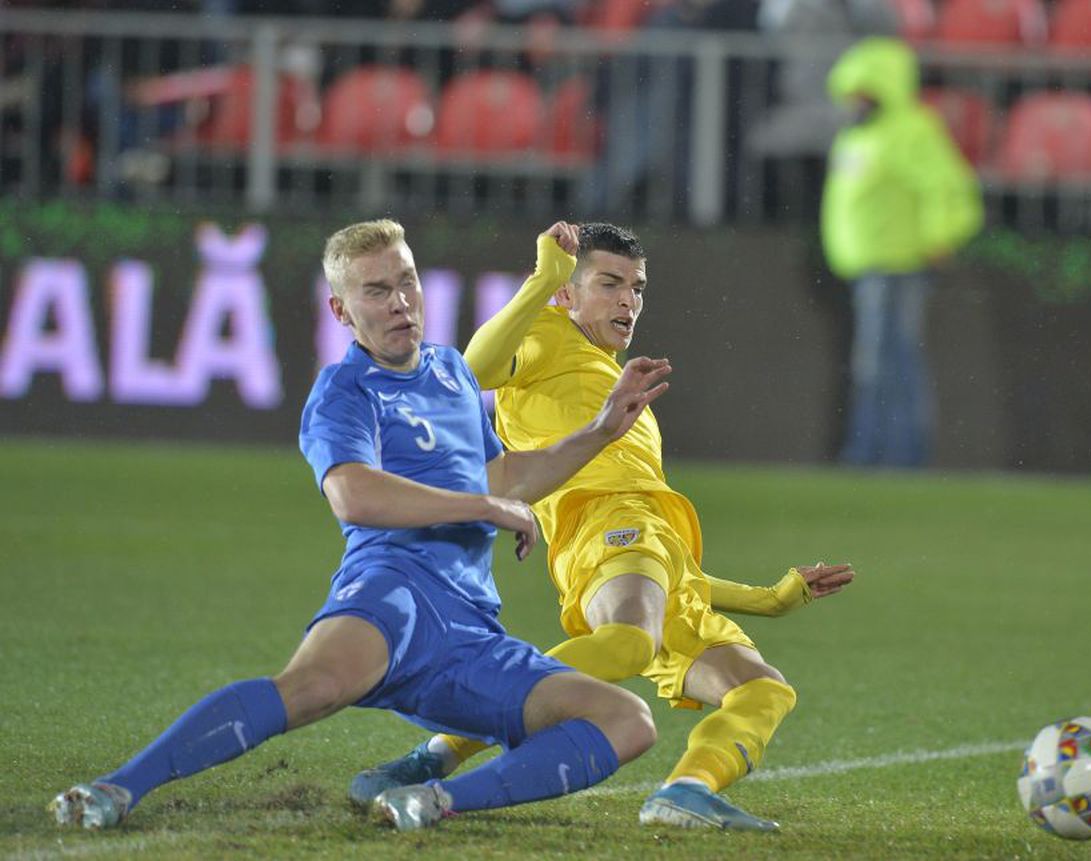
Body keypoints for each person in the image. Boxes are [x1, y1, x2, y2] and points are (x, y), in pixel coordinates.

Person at [50, 219, 675, 832]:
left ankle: (435, 800)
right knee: (310, 688)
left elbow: (503, 479)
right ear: (341, 311)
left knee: (627, 721)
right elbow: (353, 493)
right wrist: (478, 508)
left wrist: (601, 430)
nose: (401, 302)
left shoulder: (451, 373)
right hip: (390, 597)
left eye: (407, 281)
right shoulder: (345, 391)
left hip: (469, 629)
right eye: (376, 291)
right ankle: (114, 790)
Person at [349, 222, 855, 831]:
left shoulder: (616, 382)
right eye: (609, 283)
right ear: (570, 293)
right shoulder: (548, 335)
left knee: (764, 691)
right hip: (602, 522)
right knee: (627, 642)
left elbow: (664, 566)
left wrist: (770, 600)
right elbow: (473, 370)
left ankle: (686, 792)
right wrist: (542, 281)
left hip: (653, 547)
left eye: (637, 287)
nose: (628, 301)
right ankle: (435, 754)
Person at [822, 38, 983, 468]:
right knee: (883, 364)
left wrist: (937, 239)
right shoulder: (860, 134)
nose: (854, 101)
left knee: (886, 365)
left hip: (897, 266)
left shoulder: (910, 130)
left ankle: (885, 456)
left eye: (863, 92)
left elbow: (948, 189)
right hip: (870, 266)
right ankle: (887, 456)